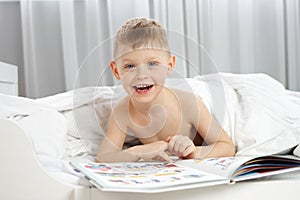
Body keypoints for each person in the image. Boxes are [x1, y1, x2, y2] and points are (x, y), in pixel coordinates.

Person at [96, 18, 235, 163]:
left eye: (152, 64)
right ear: (116, 71)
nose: (141, 75)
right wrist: (140, 151)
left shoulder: (190, 103)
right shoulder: (122, 112)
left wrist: (194, 151)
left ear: (169, 65)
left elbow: (227, 147)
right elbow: (104, 157)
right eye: (130, 66)